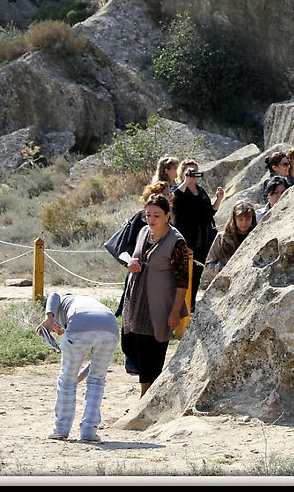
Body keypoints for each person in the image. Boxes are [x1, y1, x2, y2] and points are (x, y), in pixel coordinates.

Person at [120, 193, 190, 397]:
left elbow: (182, 281)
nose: (151, 220)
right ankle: (150, 391)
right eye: (148, 215)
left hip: (159, 304)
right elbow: (134, 256)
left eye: (156, 215)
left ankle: (146, 397)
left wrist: (175, 312)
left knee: (151, 351)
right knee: (129, 343)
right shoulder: (143, 232)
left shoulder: (177, 242)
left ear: (168, 215)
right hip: (135, 300)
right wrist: (130, 264)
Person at [110, 180, 174, 375]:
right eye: (165, 193)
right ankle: (133, 362)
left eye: (169, 193)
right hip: (136, 281)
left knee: (150, 338)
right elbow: (123, 249)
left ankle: (144, 372)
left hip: (157, 290)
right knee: (130, 329)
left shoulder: (170, 225)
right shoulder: (141, 221)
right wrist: (129, 262)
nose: (170, 196)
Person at [38, 292, 119, 442]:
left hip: (80, 327)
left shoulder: (63, 303)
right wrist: (80, 377)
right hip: (111, 329)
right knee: (97, 380)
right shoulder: (87, 302)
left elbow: (54, 294)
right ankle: (89, 431)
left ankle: (61, 429)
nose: (57, 331)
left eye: (56, 329)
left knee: (66, 381)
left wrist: (49, 318)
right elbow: (93, 364)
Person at [172, 158, 223, 309]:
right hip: (187, 238)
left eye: (195, 170)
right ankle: (180, 307)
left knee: (197, 274)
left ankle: (191, 305)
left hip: (203, 238)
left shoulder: (200, 191)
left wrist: (219, 199)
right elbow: (176, 199)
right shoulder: (181, 189)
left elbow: (210, 212)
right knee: (183, 275)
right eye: (190, 171)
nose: (194, 174)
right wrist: (186, 181)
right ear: (183, 173)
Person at [205, 201, 257, 275]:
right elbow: (209, 264)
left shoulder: (256, 238)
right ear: (234, 219)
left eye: (247, 219)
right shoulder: (222, 238)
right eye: (240, 219)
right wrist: (223, 269)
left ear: (253, 219)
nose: (244, 223)